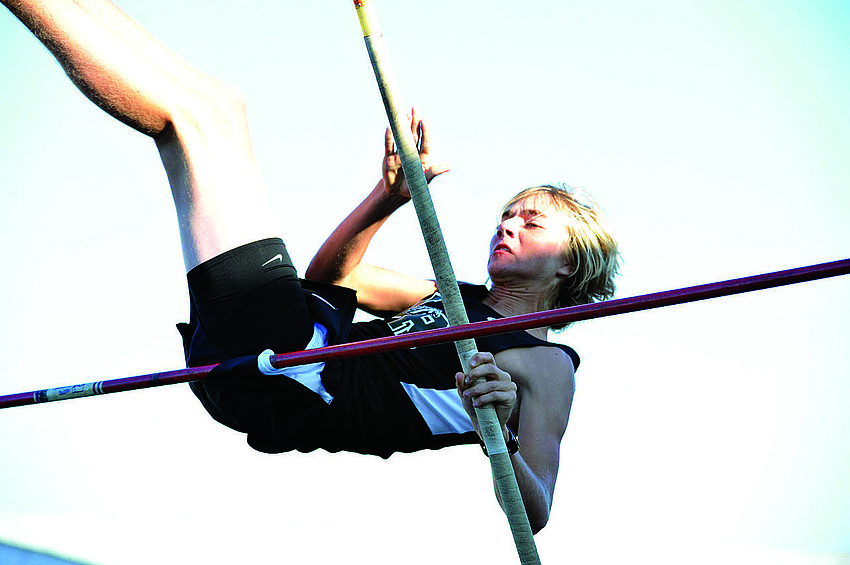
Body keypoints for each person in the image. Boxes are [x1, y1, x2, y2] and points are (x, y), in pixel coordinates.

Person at [3, 0, 619, 533]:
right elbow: (334, 278)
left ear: (571, 265)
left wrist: (498, 432)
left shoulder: (547, 365)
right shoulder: (456, 299)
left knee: (202, 120)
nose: (507, 226)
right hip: (287, 346)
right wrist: (387, 198)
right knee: (212, 108)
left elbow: (534, 510)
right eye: (506, 215)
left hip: (297, 375)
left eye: (532, 223)